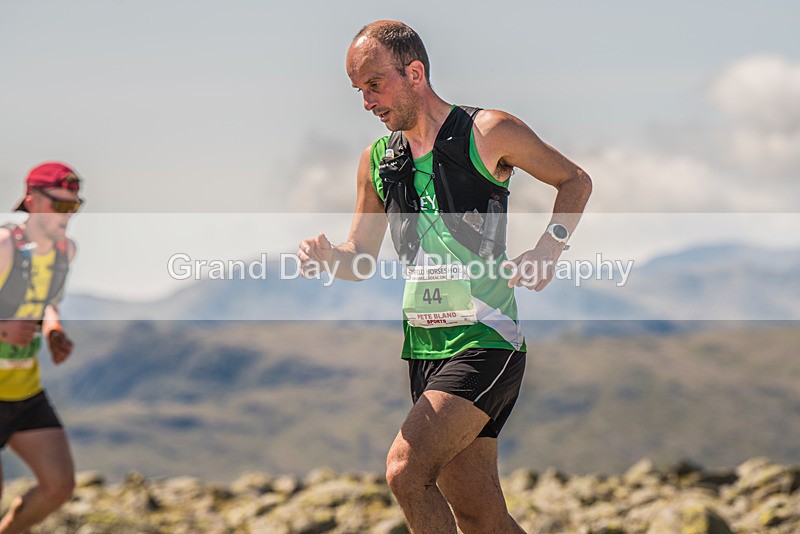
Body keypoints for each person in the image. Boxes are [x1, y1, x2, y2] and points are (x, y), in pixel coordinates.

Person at [298, 21, 591, 534]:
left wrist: (549, 247)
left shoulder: (489, 131)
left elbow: (575, 180)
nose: (366, 102)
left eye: (374, 84)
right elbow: (360, 258)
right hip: (426, 350)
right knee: (481, 517)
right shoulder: (377, 163)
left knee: (405, 473)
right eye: (358, 91)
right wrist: (330, 258)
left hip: (486, 342)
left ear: (415, 72)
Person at [0, 162, 82, 533]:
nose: (67, 215)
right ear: (31, 200)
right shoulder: (4, 247)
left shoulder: (65, 252)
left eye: (73, 207)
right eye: (59, 205)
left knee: (58, 486)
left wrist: (53, 330)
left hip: (24, 391)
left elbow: (45, 301)